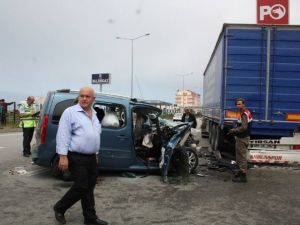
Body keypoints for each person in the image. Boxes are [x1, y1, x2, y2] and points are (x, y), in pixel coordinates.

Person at [53, 87, 108, 225]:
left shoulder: (94, 114)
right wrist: (63, 156)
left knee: (89, 188)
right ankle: (60, 207)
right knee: (82, 186)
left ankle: (90, 218)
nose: (84, 98)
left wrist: (95, 154)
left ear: (93, 99)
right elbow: (63, 135)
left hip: (91, 157)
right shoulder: (70, 112)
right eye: (82, 96)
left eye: (87, 96)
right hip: (76, 156)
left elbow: (95, 136)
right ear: (78, 97)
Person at [228, 98, 253, 183]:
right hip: (241, 137)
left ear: (244, 104)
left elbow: (244, 127)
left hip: (243, 138)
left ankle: (243, 176)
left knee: (242, 157)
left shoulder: (244, 114)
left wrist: (233, 130)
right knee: (239, 156)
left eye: (240, 104)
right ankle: (240, 172)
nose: (238, 106)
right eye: (237, 104)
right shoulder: (244, 112)